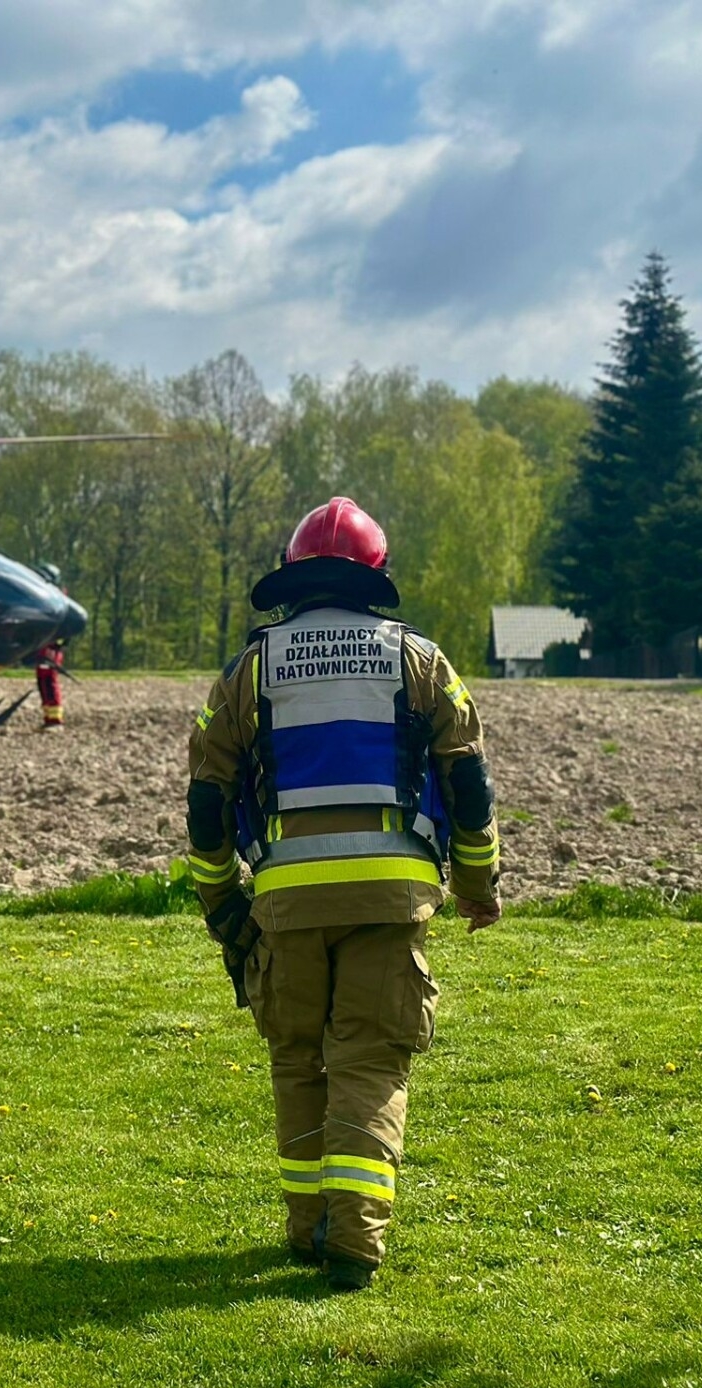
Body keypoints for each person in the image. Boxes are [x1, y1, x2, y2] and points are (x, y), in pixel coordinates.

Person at [185, 496, 502, 1292]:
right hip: (392, 893)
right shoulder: (420, 661)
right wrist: (476, 885)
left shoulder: (249, 669)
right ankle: (354, 1241)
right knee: (370, 1053)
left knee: (298, 1056)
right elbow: (468, 783)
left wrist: (222, 901)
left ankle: (305, 1229)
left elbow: (209, 800)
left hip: (287, 896)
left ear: (293, 578)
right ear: (376, 578)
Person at [34, 563, 67, 729]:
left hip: (51, 647)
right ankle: (49, 717)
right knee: (42, 680)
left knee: (49, 680)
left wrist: (56, 645)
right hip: (44, 644)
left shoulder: (57, 600)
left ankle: (55, 720)